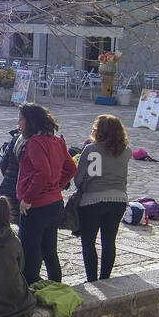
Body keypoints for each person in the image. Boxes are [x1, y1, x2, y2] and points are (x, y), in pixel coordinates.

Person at [15, 103, 77, 285]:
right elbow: (71, 168)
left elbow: (43, 172)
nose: (18, 123)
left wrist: (28, 198)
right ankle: (56, 286)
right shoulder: (57, 141)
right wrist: (56, 186)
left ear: (30, 121)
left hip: (37, 205)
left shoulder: (35, 142)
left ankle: (30, 288)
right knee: (50, 251)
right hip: (55, 203)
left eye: (21, 119)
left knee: (30, 250)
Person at [73, 114, 129, 282]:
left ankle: (92, 279)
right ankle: (105, 278)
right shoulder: (126, 152)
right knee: (109, 241)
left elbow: (80, 179)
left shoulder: (91, 150)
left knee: (88, 242)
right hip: (118, 199)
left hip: (93, 200)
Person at [0, 126, 25, 223]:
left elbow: (3, 163)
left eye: (21, 120)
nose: (18, 124)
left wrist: (9, 177)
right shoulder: (53, 140)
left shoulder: (18, 139)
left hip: (12, 187)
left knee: (4, 219)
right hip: (17, 188)